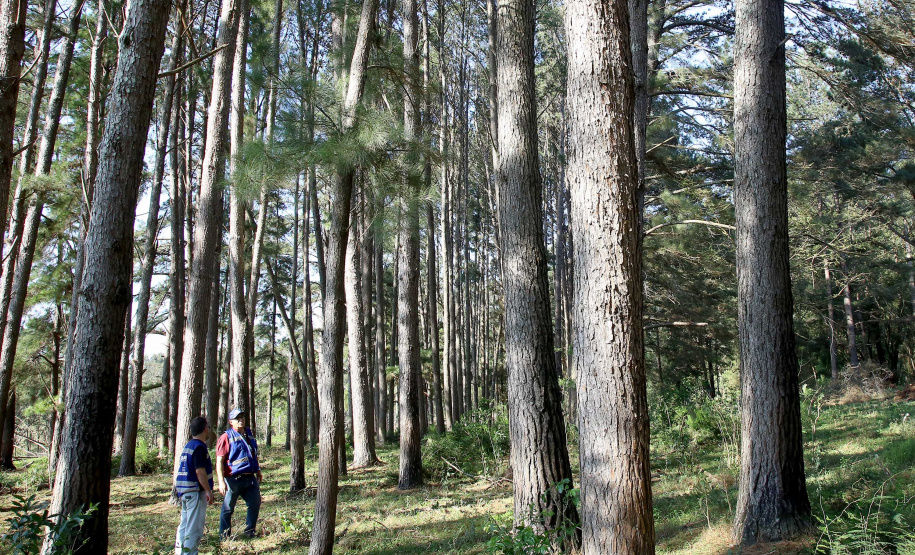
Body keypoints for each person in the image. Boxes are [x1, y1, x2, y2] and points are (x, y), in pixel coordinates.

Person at [216, 408, 263, 539]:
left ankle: (250, 531)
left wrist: (258, 470)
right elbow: (219, 461)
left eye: (242, 417)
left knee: (255, 503)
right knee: (228, 509)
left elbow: (253, 454)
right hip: (233, 479)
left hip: (250, 478)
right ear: (231, 422)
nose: (240, 420)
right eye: (237, 418)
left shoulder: (249, 433)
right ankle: (224, 536)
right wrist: (221, 482)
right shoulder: (226, 437)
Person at [174, 416, 214, 555]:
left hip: (185, 493)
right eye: (208, 427)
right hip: (195, 493)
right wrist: (208, 490)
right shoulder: (199, 447)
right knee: (194, 529)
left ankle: (180, 551)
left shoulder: (188, 446)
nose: (209, 430)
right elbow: (200, 471)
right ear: (204, 429)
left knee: (184, 526)